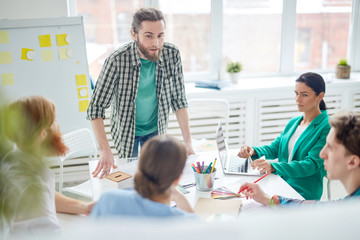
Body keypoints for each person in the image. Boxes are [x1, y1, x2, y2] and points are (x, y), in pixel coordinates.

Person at [87, 8, 195, 179]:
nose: (156, 43)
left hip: (156, 129)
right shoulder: (117, 60)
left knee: (154, 177)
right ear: (134, 34)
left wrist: (188, 143)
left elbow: (179, 101)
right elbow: (95, 108)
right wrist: (105, 150)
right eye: (149, 36)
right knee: (130, 180)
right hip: (127, 131)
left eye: (160, 35)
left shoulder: (171, 54)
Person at [0, 96, 95, 235]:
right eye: (54, 121)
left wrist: (84, 207)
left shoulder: (13, 160)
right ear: (43, 133)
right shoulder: (31, 189)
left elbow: (48, 194)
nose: (58, 126)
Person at [238, 72, 330, 200]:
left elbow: (311, 165)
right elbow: (275, 148)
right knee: (244, 195)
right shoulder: (294, 122)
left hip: (302, 191)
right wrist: (253, 150)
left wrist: (273, 167)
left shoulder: (327, 126)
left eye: (304, 95)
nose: (298, 99)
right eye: (296, 93)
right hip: (281, 183)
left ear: (320, 96)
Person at [239, 111, 360, 206]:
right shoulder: (346, 204)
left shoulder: (347, 211)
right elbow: (308, 208)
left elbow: (310, 165)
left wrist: (273, 167)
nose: (322, 154)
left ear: (352, 162)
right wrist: (267, 199)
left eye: (331, 148)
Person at [90, 135, 195, 219]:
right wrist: (179, 196)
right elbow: (197, 224)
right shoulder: (182, 220)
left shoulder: (109, 200)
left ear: (139, 167)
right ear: (176, 179)